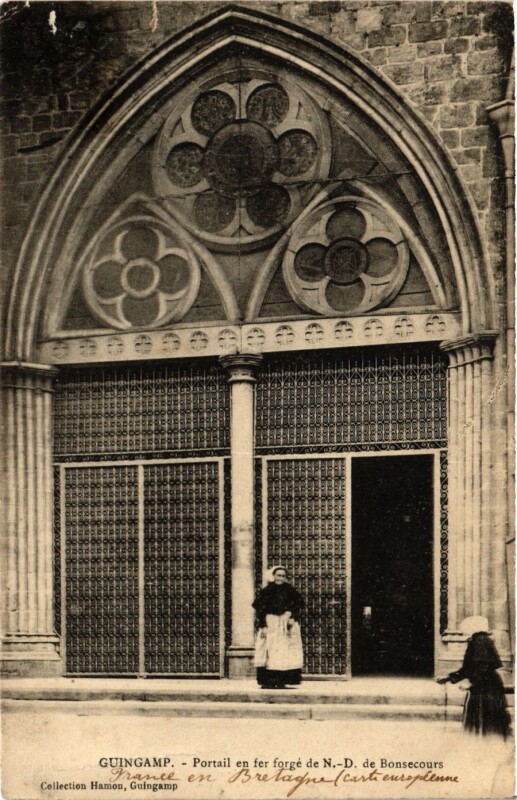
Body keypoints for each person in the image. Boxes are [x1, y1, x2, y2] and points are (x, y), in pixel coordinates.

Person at [437, 616, 511, 739]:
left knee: (486, 720)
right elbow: (469, 668)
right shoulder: (479, 640)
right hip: (484, 685)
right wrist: (449, 678)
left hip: (486, 686)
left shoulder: (480, 641)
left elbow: (483, 666)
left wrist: (472, 683)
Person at [252, 565, 304, 689]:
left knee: (284, 652)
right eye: (278, 575)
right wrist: (263, 626)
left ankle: (282, 681)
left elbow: (298, 606)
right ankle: (268, 682)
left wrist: (293, 617)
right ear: (273, 576)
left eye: (283, 576)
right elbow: (260, 610)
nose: (280, 578)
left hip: (286, 625)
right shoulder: (266, 591)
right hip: (271, 624)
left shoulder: (290, 590)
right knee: (269, 651)